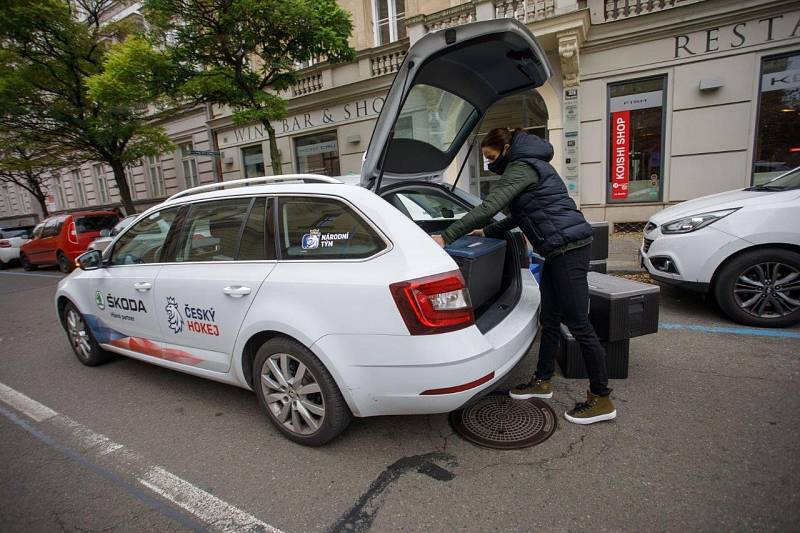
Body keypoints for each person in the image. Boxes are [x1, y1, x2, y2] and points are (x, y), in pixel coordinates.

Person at [431, 128, 616, 425]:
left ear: (505, 148)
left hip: (569, 248)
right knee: (551, 319)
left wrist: (448, 236)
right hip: (558, 249)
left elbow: (490, 206)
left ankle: (601, 397)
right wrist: (488, 231)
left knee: (579, 324)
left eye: (491, 157)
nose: (490, 163)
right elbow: (523, 213)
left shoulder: (523, 166)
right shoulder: (530, 164)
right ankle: (543, 382)